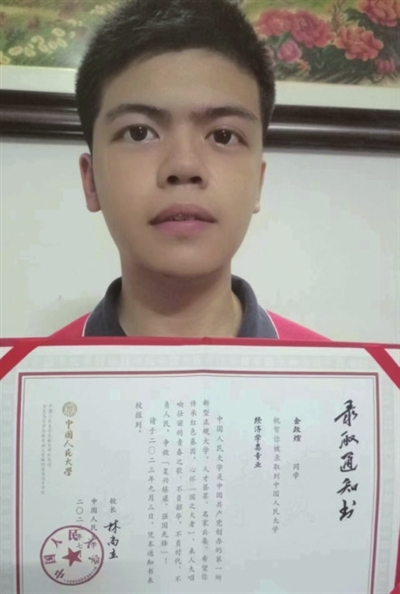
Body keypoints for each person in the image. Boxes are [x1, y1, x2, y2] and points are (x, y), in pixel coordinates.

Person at [53, 0, 328, 340]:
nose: (184, 166)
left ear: (258, 182)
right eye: (139, 132)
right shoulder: (27, 372)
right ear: (90, 180)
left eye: (223, 135)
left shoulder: (337, 371)